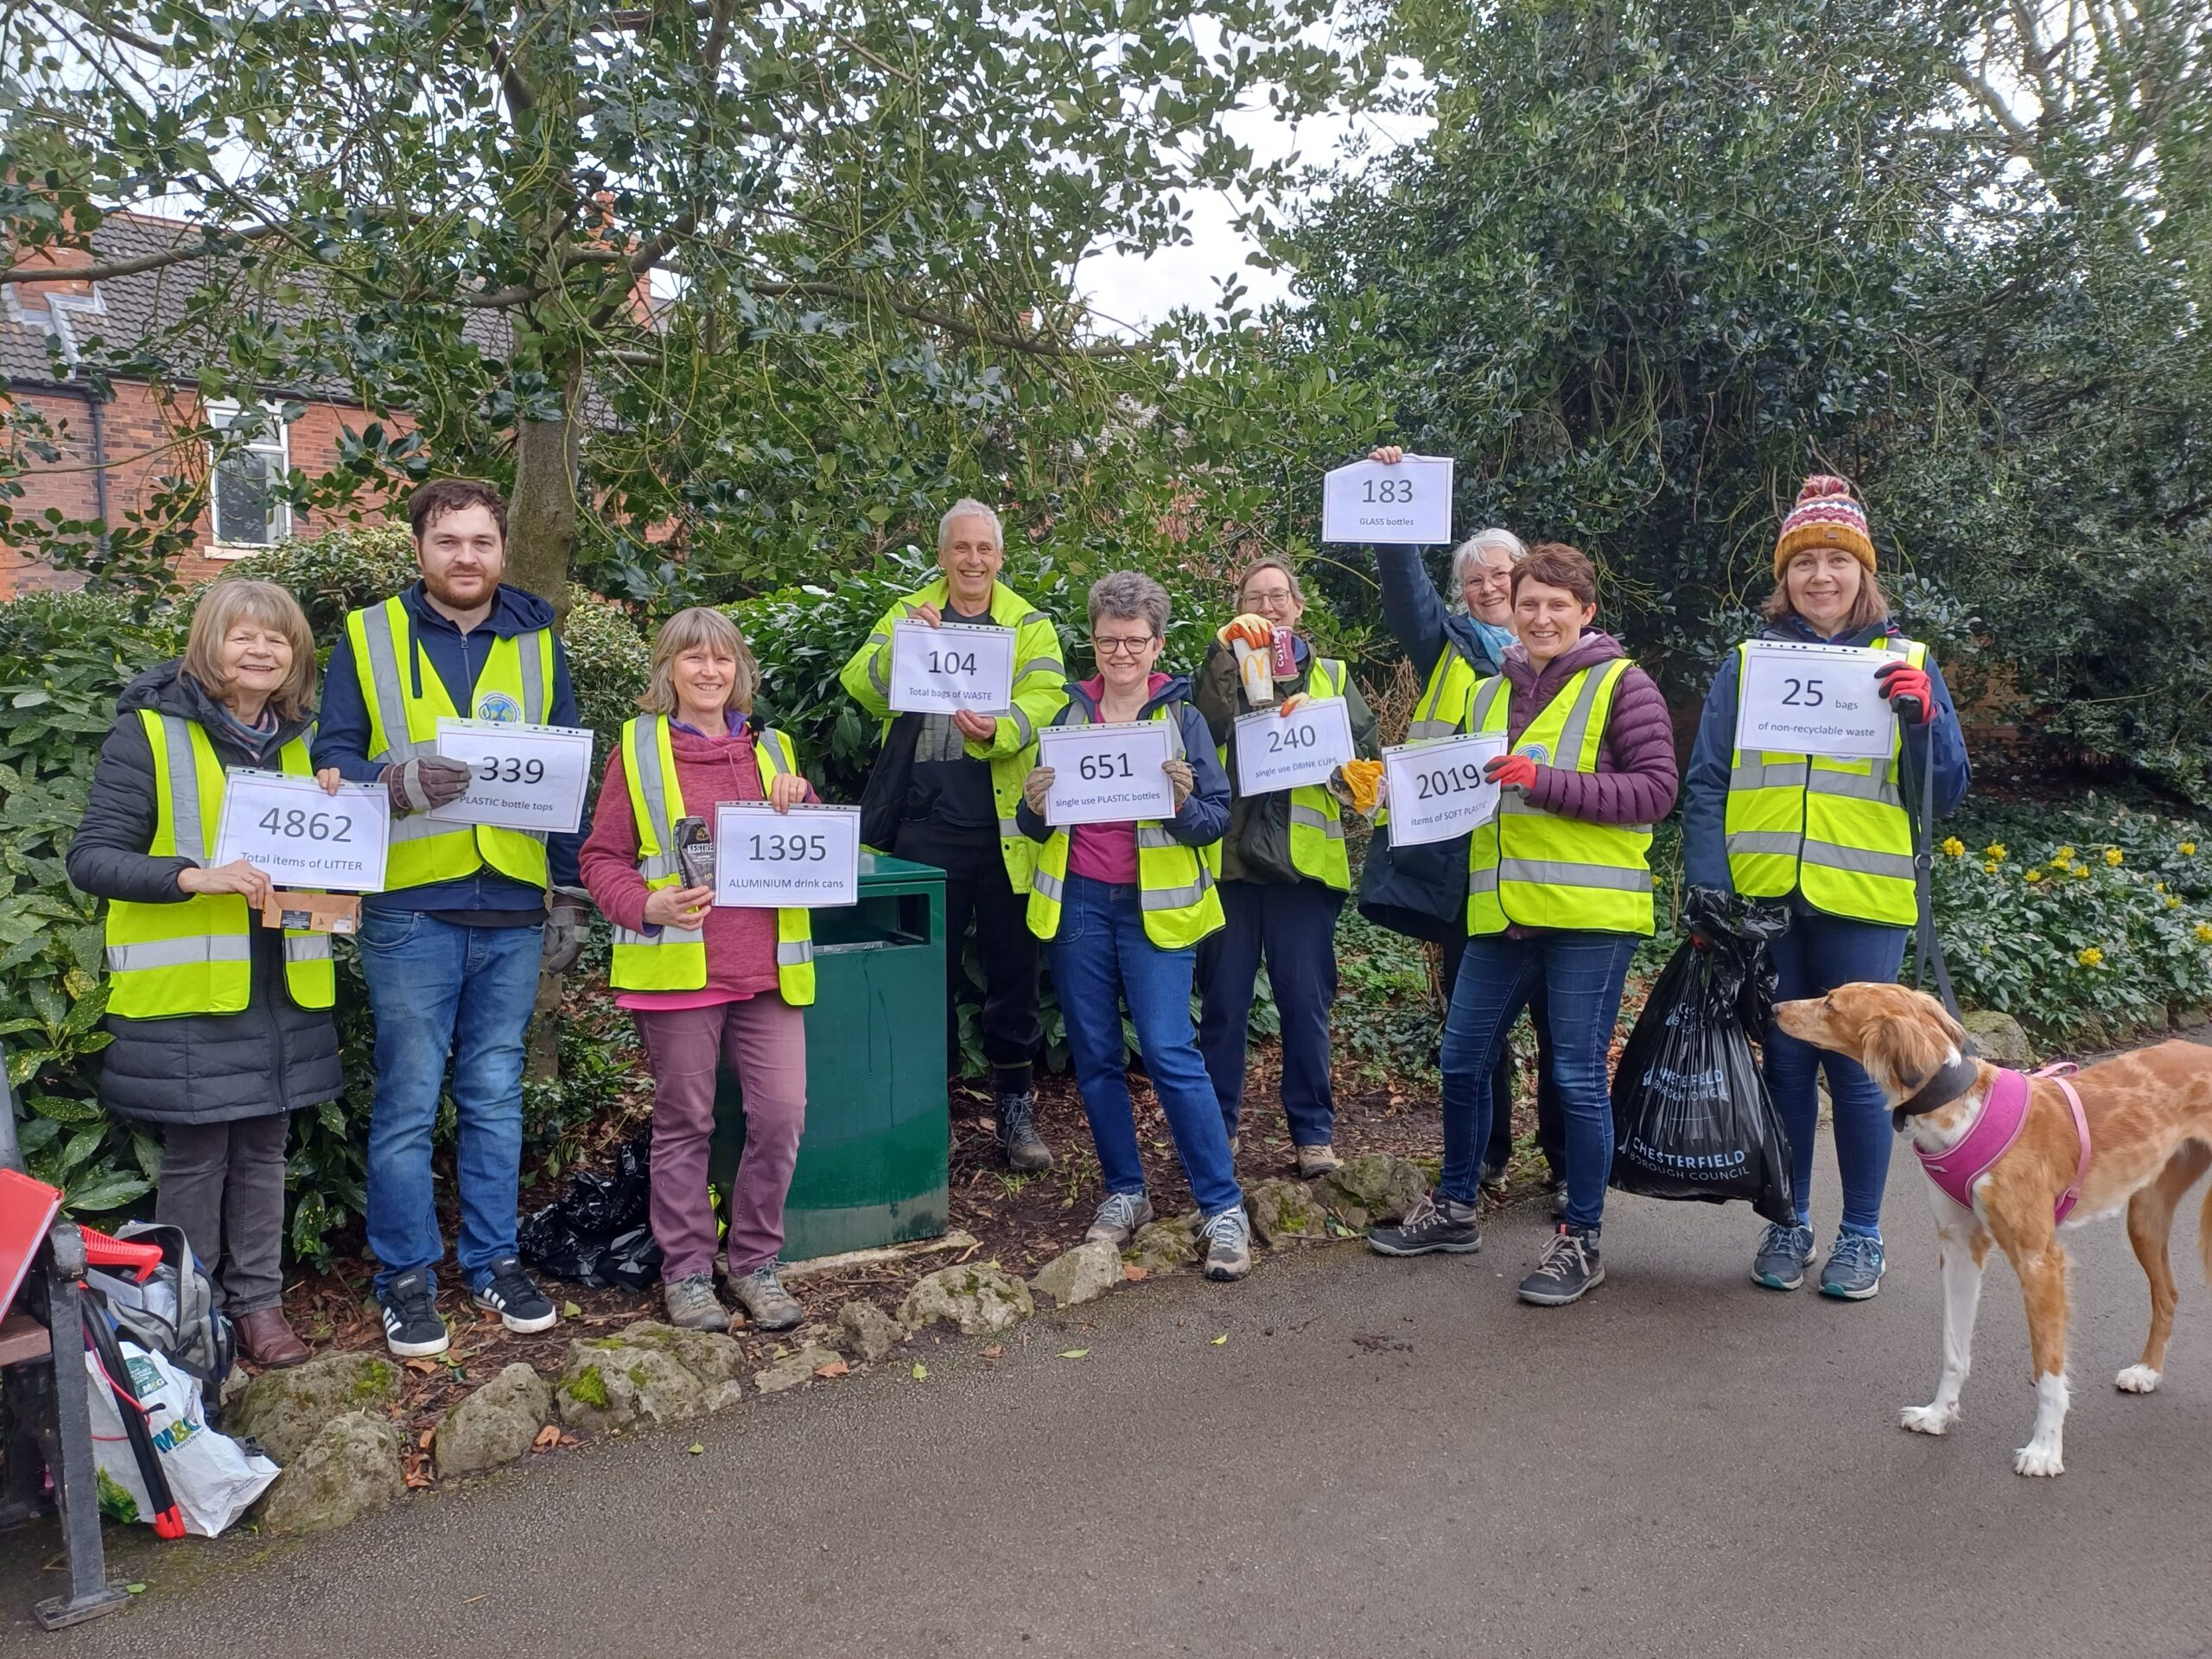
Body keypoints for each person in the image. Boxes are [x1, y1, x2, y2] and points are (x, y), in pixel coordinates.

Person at [315, 478, 594, 1358]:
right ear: (419, 549)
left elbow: (564, 778)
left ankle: (494, 1260)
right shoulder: (368, 637)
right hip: (410, 904)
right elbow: (329, 755)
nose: (465, 557)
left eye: (480, 542)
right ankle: (404, 1276)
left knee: (493, 1098)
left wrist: (571, 891)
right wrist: (389, 784)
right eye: (448, 542)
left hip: (511, 905)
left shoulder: (541, 639)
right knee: (405, 1103)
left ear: (502, 549)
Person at [1681, 474, 1970, 1300]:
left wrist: (1928, 722)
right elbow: (1707, 783)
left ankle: (1862, 1236)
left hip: (1864, 901)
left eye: (1836, 562)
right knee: (1784, 1069)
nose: (1819, 577)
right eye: (1803, 562)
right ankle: (1789, 1223)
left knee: (1860, 1074)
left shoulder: (1909, 663)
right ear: (1785, 578)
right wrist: (1709, 887)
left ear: (1862, 573)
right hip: (1768, 899)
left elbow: (1944, 794)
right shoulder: (1750, 664)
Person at [1370, 543, 1678, 1306]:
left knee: (1575, 1076)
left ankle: (1581, 1239)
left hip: (1588, 917)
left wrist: (1547, 783)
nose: (1540, 617)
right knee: (1461, 1058)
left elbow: (1656, 792)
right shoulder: (1484, 695)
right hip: (1500, 913)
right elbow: (1449, 792)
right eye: (1529, 603)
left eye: (1556, 606)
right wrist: (1388, 796)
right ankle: (1455, 1207)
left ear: (1585, 613)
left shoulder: (1623, 685)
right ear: (1512, 608)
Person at [66, 580, 345, 1368]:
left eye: (277, 639)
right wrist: (195, 876)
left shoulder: (304, 746)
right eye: (241, 636)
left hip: (282, 984)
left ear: (295, 657)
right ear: (208, 644)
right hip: (189, 994)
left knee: (265, 1150)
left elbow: (325, 867)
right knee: (195, 1159)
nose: (260, 651)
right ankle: (194, 1317)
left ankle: (259, 1307)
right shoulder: (148, 735)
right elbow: (91, 859)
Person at [580, 608, 817, 1334]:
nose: (709, 672)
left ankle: (752, 1262)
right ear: (668, 669)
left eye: (722, 659)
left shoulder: (774, 749)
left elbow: (812, 851)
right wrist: (646, 904)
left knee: (780, 1118)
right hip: (680, 972)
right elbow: (599, 860)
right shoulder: (639, 750)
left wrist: (804, 804)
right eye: (693, 659)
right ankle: (686, 1271)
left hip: (769, 969)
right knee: (686, 1122)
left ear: (739, 670)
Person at [1015, 571, 1249, 1281]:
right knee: (1094, 1058)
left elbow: (1214, 823)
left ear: (1158, 645)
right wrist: (1031, 806)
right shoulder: (1066, 716)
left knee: (1171, 1051)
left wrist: (1179, 803)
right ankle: (1125, 1193)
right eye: (1108, 640)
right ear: (1093, 640)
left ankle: (1223, 1207)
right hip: (1079, 903)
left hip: (1155, 911)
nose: (1121, 653)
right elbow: (1034, 821)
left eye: (1135, 642)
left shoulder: (1183, 720)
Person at [839, 500, 1066, 1170]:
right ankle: (923, 1115)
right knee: (921, 976)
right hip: (923, 826)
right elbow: (861, 684)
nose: (972, 560)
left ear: (1000, 557)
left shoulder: (1028, 623)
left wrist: (1002, 729)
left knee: (1013, 976)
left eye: (984, 549)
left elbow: (1048, 697)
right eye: (960, 549)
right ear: (941, 557)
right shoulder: (908, 613)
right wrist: (906, 645)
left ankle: (1014, 1116)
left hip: (1004, 834)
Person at [1365, 445, 1565, 1201]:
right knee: (1477, 1031)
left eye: (1502, 576)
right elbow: (1406, 592)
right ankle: (1486, 1157)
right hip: (1465, 868)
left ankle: (1564, 1156)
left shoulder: (1569, 656)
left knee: (1557, 1028)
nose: (1488, 588)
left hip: (1549, 863)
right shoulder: (1444, 644)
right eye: (1475, 579)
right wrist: (1395, 504)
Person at [1192, 556, 1380, 1176]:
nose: (1268, 606)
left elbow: (1368, 768)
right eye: (1255, 596)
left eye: (1279, 596)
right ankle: (1217, 1129)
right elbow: (1199, 734)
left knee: (1305, 1005)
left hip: (1306, 871)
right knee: (1223, 1005)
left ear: (1299, 607)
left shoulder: (1332, 676)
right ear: (1236, 606)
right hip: (1233, 867)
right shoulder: (1218, 670)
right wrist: (1224, 656)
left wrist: (1341, 769)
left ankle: (1314, 1135)